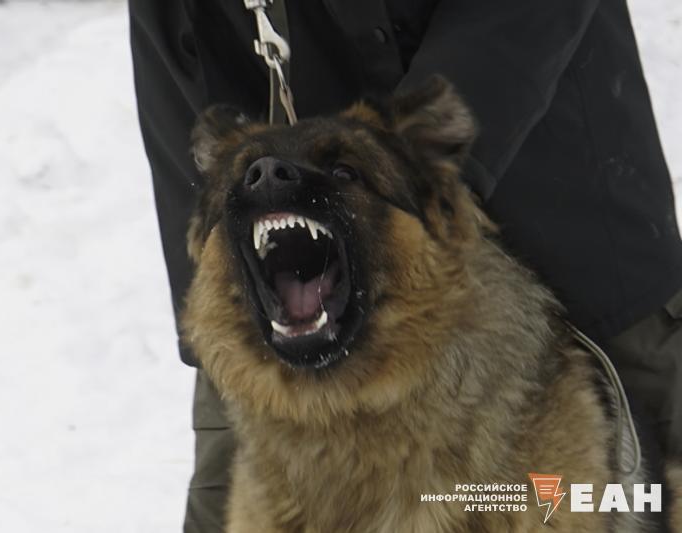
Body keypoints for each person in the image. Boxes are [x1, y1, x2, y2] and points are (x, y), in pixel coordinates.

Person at [128, 1, 682, 531]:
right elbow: (177, 41)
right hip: (288, 257)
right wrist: (229, 288)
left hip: (554, 191)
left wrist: (415, 162)